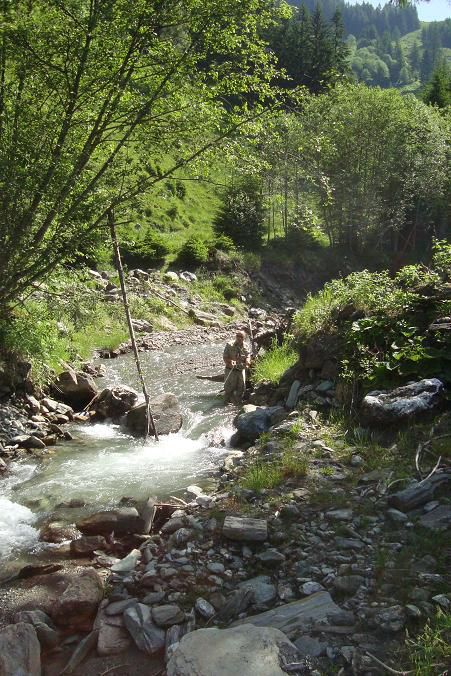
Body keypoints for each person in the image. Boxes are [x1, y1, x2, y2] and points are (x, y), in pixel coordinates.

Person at [223, 331, 250, 405]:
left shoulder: (246, 345)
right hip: (230, 370)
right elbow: (225, 357)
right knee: (229, 389)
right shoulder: (229, 345)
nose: (239, 338)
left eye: (241, 336)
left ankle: (238, 404)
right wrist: (231, 361)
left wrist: (247, 361)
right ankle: (226, 404)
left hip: (241, 370)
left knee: (241, 388)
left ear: (244, 338)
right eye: (237, 336)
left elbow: (248, 355)